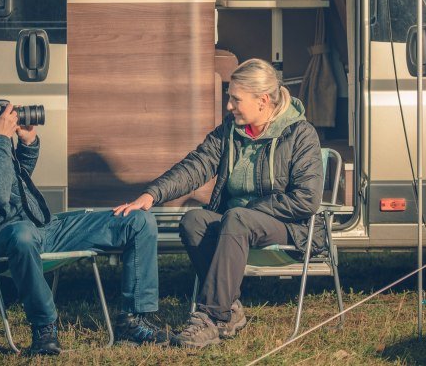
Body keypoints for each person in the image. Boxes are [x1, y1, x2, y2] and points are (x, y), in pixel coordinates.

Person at [0, 75, 167, 355]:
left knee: (138, 221)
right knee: (22, 234)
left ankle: (133, 320)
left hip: (43, 226)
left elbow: (15, 180)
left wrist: (27, 143)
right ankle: (44, 327)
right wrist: (2, 139)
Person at [114, 59, 324, 348]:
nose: (229, 105)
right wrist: (151, 195)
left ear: (262, 101)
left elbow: (307, 200)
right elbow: (196, 166)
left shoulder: (300, 134)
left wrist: (247, 211)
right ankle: (230, 308)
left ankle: (211, 318)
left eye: (235, 99)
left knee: (236, 217)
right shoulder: (230, 132)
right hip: (237, 224)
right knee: (193, 221)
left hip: (288, 226)